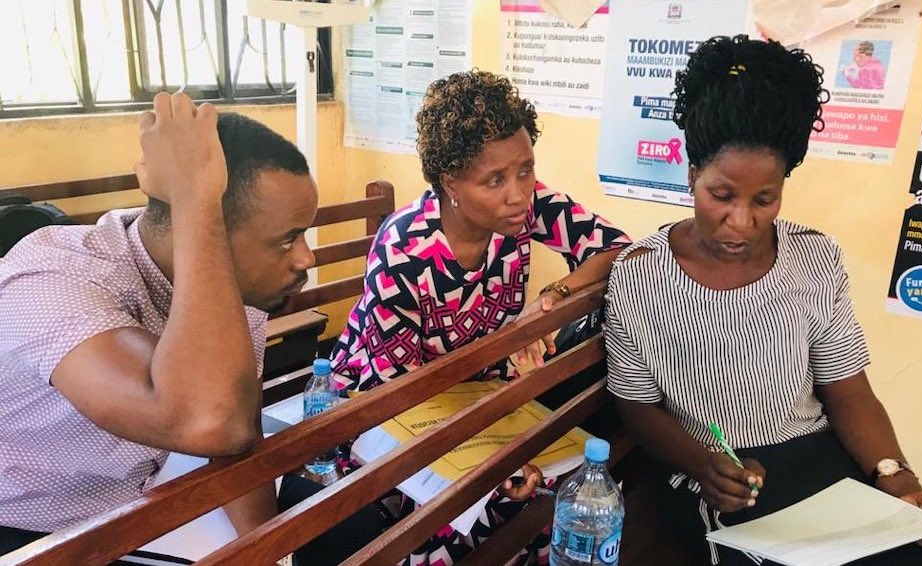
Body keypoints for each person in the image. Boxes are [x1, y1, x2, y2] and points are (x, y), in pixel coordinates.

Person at [604, 35, 922, 565]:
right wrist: (704, 463)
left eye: (765, 199)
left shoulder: (813, 258)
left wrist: (899, 481)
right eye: (721, 195)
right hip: (715, 475)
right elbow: (637, 406)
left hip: (820, 462)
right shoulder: (640, 273)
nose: (741, 221)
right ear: (692, 174)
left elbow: (848, 390)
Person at [0, 93, 382, 563]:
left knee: (351, 530)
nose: (306, 258)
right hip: (31, 531)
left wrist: (274, 552)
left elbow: (237, 438)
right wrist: (195, 197)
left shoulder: (230, 291)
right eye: (287, 239)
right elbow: (210, 422)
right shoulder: (54, 281)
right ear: (204, 229)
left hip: (138, 496)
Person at [323, 70, 630, 566]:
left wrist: (552, 298)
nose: (518, 193)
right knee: (459, 517)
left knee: (556, 500)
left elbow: (617, 249)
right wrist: (493, 458)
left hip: (479, 394)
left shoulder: (522, 211)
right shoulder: (403, 254)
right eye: (495, 180)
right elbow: (400, 399)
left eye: (525, 170)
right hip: (382, 407)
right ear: (450, 183)